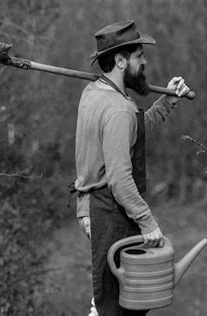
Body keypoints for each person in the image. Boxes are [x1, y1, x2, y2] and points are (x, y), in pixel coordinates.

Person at [72, 20, 191, 316]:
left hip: (97, 208)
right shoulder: (117, 108)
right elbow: (120, 179)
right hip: (114, 213)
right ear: (121, 61)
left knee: (108, 298)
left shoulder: (95, 93)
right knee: (119, 306)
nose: (145, 61)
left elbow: (130, 133)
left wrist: (166, 103)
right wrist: (148, 222)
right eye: (139, 55)